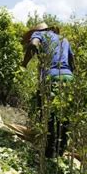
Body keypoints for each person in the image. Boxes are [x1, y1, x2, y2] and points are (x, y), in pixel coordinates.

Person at [21, 22, 75, 158]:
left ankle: (47, 153)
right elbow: (72, 60)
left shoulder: (39, 34)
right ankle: (59, 152)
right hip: (68, 77)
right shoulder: (64, 39)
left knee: (46, 113)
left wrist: (24, 64)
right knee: (64, 116)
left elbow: (33, 44)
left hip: (50, 76)